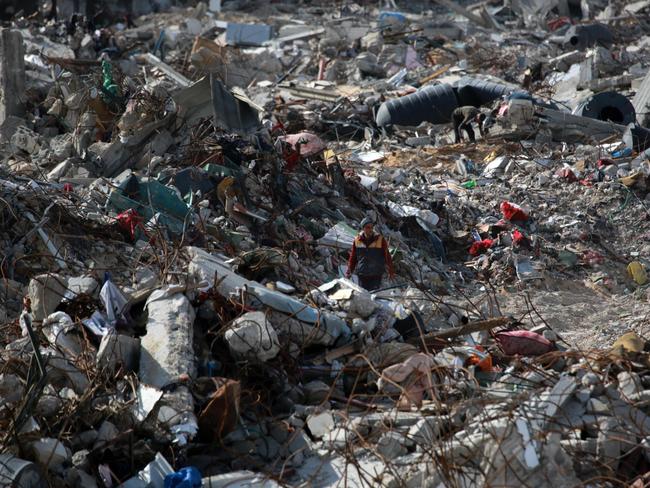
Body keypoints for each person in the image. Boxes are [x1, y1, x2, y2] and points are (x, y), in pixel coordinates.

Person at [345, 217, 395, 291]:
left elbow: (387, 256)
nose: (370, 229)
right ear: (363, 228)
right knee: (364, 295)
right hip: (362, 274)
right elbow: (353, 257)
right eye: (368, 227)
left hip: (376, 274)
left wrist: (391, 271)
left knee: (373, 296)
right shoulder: (357, 240)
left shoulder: (380, 239)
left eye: (372, 227)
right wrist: (349, 271)